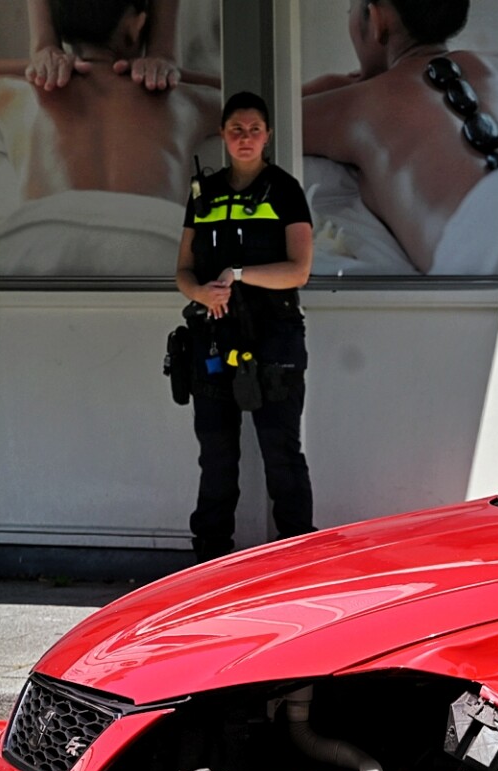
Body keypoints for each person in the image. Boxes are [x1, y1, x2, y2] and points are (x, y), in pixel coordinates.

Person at [175, 92, 317, 562]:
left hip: (273, 339)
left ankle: (295, 561)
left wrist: (237, 275)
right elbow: (183, 272)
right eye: (236, 129)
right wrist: (202, 294)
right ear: (222, 134)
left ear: (268, 136)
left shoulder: (286, 190)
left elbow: (298, 270)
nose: (245, 138)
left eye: (255, 129)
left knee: (282, 455)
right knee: (216, 459)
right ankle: (209, 564)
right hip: (214, 339)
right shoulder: (204, 195)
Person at [302, 0, 498, 274]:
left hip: (485, 241)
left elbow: (265, 117)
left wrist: (338, 86)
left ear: (377, 19)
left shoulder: (356, 104)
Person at [0, 0, 219, 277]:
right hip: (158, 243)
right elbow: (253, 89)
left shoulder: (20, 94)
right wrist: (175, 72)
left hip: (43, 239)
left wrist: (36, 60)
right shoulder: (184, 100)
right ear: (137, 24)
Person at [24, 0, 182, 92]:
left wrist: (161, 54)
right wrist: (44, 47)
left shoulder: (18, 93)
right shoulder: (189, 101)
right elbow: (207, 89)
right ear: (137, 24)